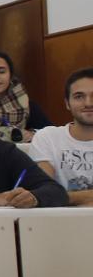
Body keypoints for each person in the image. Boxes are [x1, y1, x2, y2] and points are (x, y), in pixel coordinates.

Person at [32, 67, 93, 206]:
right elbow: (43, 192)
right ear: (67, 103)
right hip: (60, 223)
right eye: (79, 96)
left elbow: (50, 197)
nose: (88, 103)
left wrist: (61, 197)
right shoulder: (47, 137)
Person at [0, 51, 52, 140]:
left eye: (1, 71)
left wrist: (34, 134)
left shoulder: (27, 105)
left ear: (11, 76)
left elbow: (51, 134)